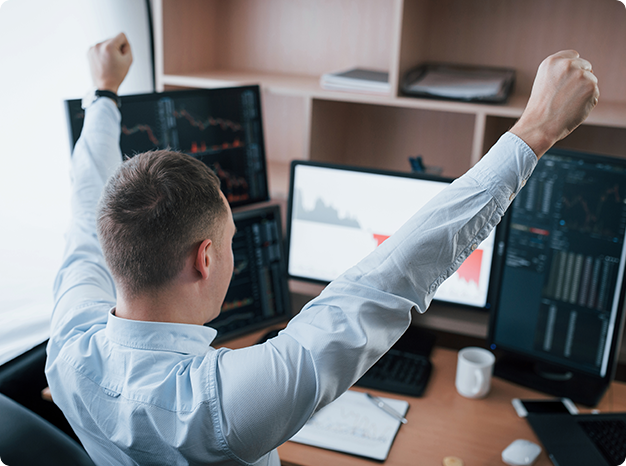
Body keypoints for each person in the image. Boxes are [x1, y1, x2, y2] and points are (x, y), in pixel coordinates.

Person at [46, 32, 598, 466]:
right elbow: (388, 279)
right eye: (232, 240)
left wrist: (104, 93)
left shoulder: (67, 345)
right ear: (206, 258)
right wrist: (536, 130)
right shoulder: (222, 405)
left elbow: (83, 204)